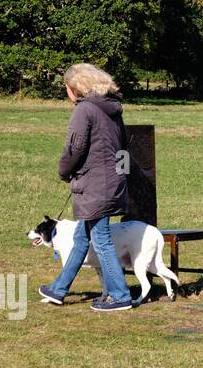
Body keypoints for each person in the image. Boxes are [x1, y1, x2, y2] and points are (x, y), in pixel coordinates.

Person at [38, 63, 134, 312]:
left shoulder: (84, 110)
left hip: (95, 186)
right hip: (112, 182)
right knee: (82, 237)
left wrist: (63, 171)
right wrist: (119, 177)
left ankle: (120, 295)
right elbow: (124, 146)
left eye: (67, 89)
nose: (67, 94)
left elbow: (75, 148)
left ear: (75, 87)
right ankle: (59, 289)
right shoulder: (114, 110)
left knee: (100, 240)